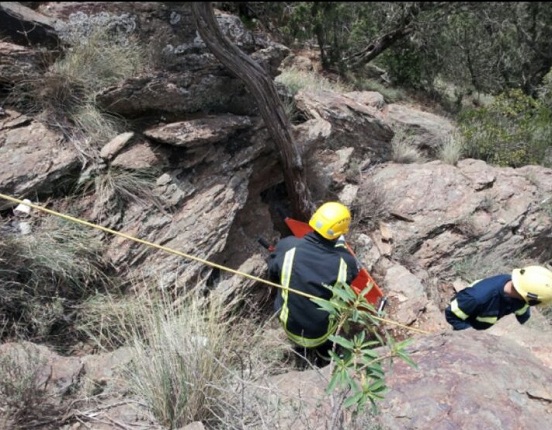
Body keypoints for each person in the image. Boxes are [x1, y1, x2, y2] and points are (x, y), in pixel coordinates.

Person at [267, 201, 360, 366]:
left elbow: (273, 274)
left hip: (290, 327)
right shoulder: (345, 262)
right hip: (321, 335)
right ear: (341, 232)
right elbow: (349, 282)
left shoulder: (288, 246)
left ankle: (300, 354)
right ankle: (325, 359)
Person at [445, 265, 552, 331]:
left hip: (483, 326)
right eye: (535, 303)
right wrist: (470, 335)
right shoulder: (477, 298)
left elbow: (522, 309)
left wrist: (523, 321)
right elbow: (451, 314)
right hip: (469, 328)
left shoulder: (519, 291)